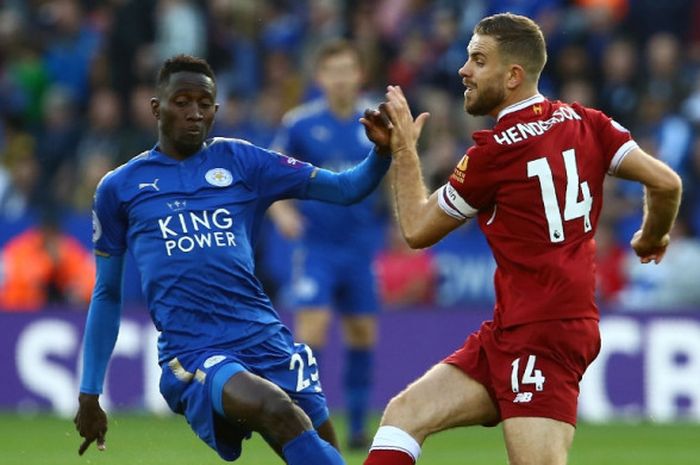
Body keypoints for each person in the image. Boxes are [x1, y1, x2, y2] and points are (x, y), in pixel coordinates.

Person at [361, 13, 682, 465]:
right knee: (404, 415)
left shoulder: (494, 155)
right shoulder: (586, 121)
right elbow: (667, 184)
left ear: (513, 75)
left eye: (477, 59)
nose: (463, 70)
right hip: (516, 328)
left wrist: (404, 151)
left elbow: (415, 228)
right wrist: (653, 236)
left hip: (543, 332)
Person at [73, 54, 393, 465]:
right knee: (276, 409)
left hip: (265, 337)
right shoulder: (119, 188)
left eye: (204, 104)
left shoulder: (241, 161)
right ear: (157, 107)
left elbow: (345, 188)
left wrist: (381, 156)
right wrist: (89, 392)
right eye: (182, 102)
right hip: (194, 350)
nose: (194, 113)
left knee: (319, 441)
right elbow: (107, 293)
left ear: (216, 111)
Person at [268, 39, 387, 449]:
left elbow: (396, 167)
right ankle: (307, 427)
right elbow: (271, 173)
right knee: (311, 333)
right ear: (320, 78)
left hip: (359, 246)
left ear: (359, 74)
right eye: (332, 71)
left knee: (362, 333)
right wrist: (283, 214)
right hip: (316, 246)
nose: (340, 78)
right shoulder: (300, 123)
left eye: (347, 69)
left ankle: (355, 428)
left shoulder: (374, 120)